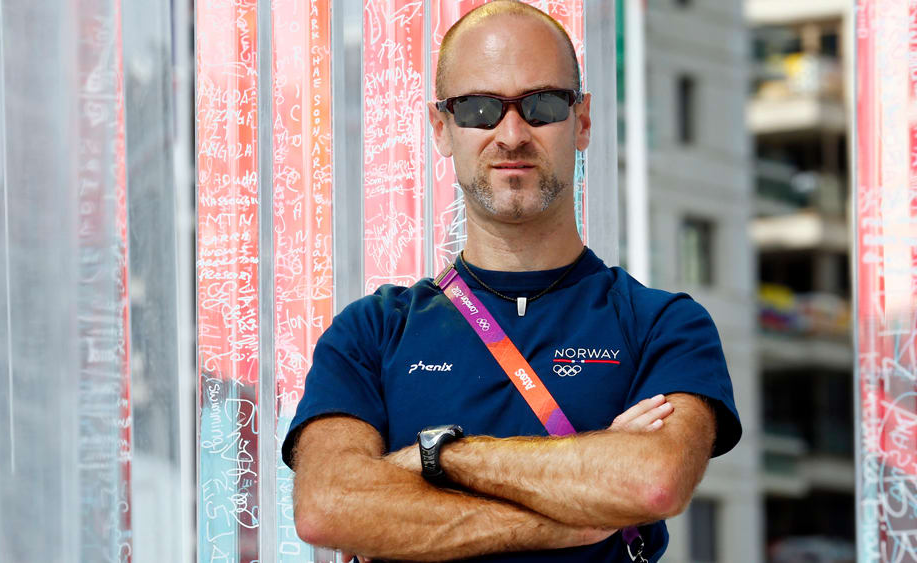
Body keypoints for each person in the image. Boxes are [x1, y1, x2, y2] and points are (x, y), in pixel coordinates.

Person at [281, 2, 741, 561]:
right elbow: (328, 505)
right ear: (441, 129)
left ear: (583, 121)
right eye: (479, 109)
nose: (513, 134)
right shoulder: (371, 332)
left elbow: (650, 484)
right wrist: (569, 507)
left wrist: (436, 457)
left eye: (543, 105)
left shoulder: (664, 325)